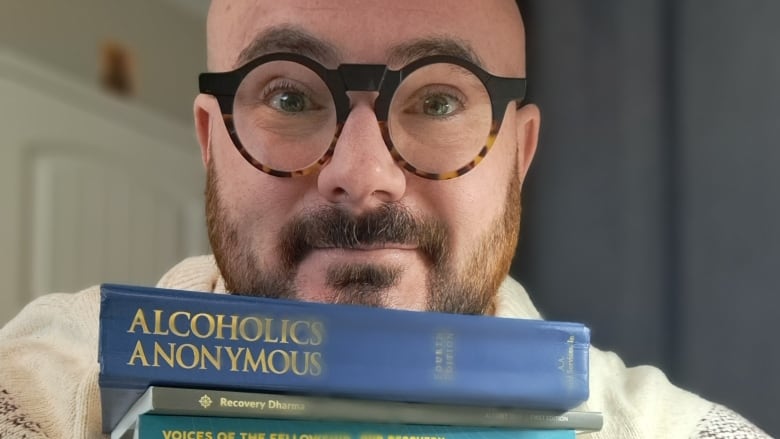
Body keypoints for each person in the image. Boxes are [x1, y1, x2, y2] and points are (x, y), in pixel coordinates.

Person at [0, 1, 770, 438]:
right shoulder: (52, 387)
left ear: (520, 154)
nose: (364, 179)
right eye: (290, 97)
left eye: (437, 101)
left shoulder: (666, 429)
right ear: (210, 144)